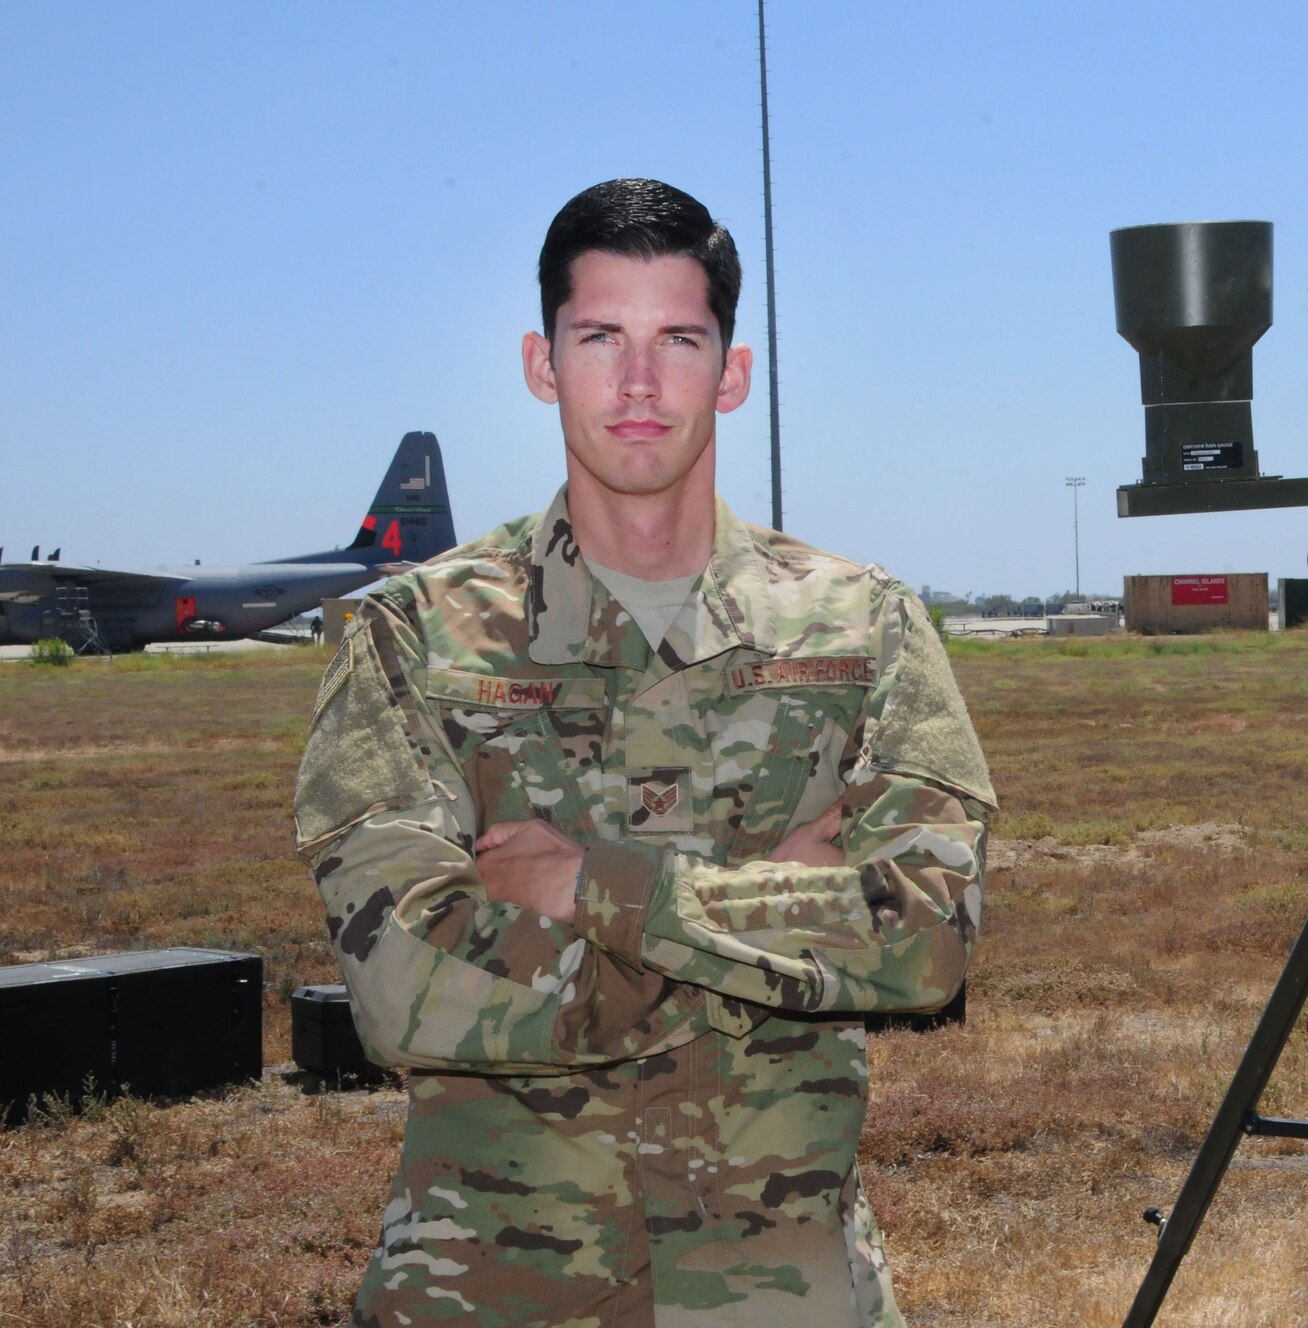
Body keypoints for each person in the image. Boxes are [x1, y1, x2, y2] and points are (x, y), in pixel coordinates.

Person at [293, 178, 995, 1327]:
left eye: (676, 338)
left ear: (732, 371)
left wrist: (588, 888)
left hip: (781, 1289)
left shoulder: (861, 628)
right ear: (541, 362)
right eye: (599, 337)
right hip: (493, 1289)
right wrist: (782, 932)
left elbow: (923, 940)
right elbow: (404, 988)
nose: (636, 382)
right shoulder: (413, 634)